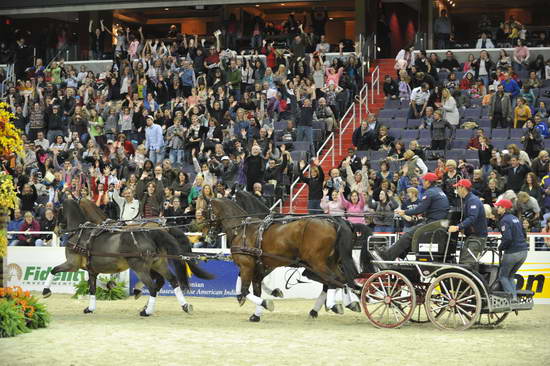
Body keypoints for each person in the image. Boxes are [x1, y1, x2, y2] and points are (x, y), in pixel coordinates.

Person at [376, 172, 450, 260]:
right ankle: (400, 253)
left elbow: (418, 209)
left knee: (408, 235)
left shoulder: (430, 193)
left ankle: (388, 256)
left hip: (433, 223)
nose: (422, 182)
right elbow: (433, 209)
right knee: (412, 235)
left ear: (428, 182)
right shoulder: (439, 191)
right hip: (439, 223)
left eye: (424, 180)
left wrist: (404, 212)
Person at [494, 199, 528, 302]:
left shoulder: (504, 220)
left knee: (503, 276)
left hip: (513, 252)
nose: (497, 208)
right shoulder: (515, 218)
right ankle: (515, 298)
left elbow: (508, 238)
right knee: (510, 276)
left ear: (504, 208)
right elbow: (523, 233)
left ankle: (511, 299)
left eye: (498, 206)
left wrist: (501, 247)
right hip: (523, 251)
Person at [448, 179, 488, 265]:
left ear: (463, 188)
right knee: (464, 262)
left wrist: (458, 227)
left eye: (457, 188)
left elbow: (472, 217)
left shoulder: (472, 200)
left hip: (476, 237)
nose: (456, 190)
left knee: (467, 263)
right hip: (472, 237)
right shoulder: (468, 200)